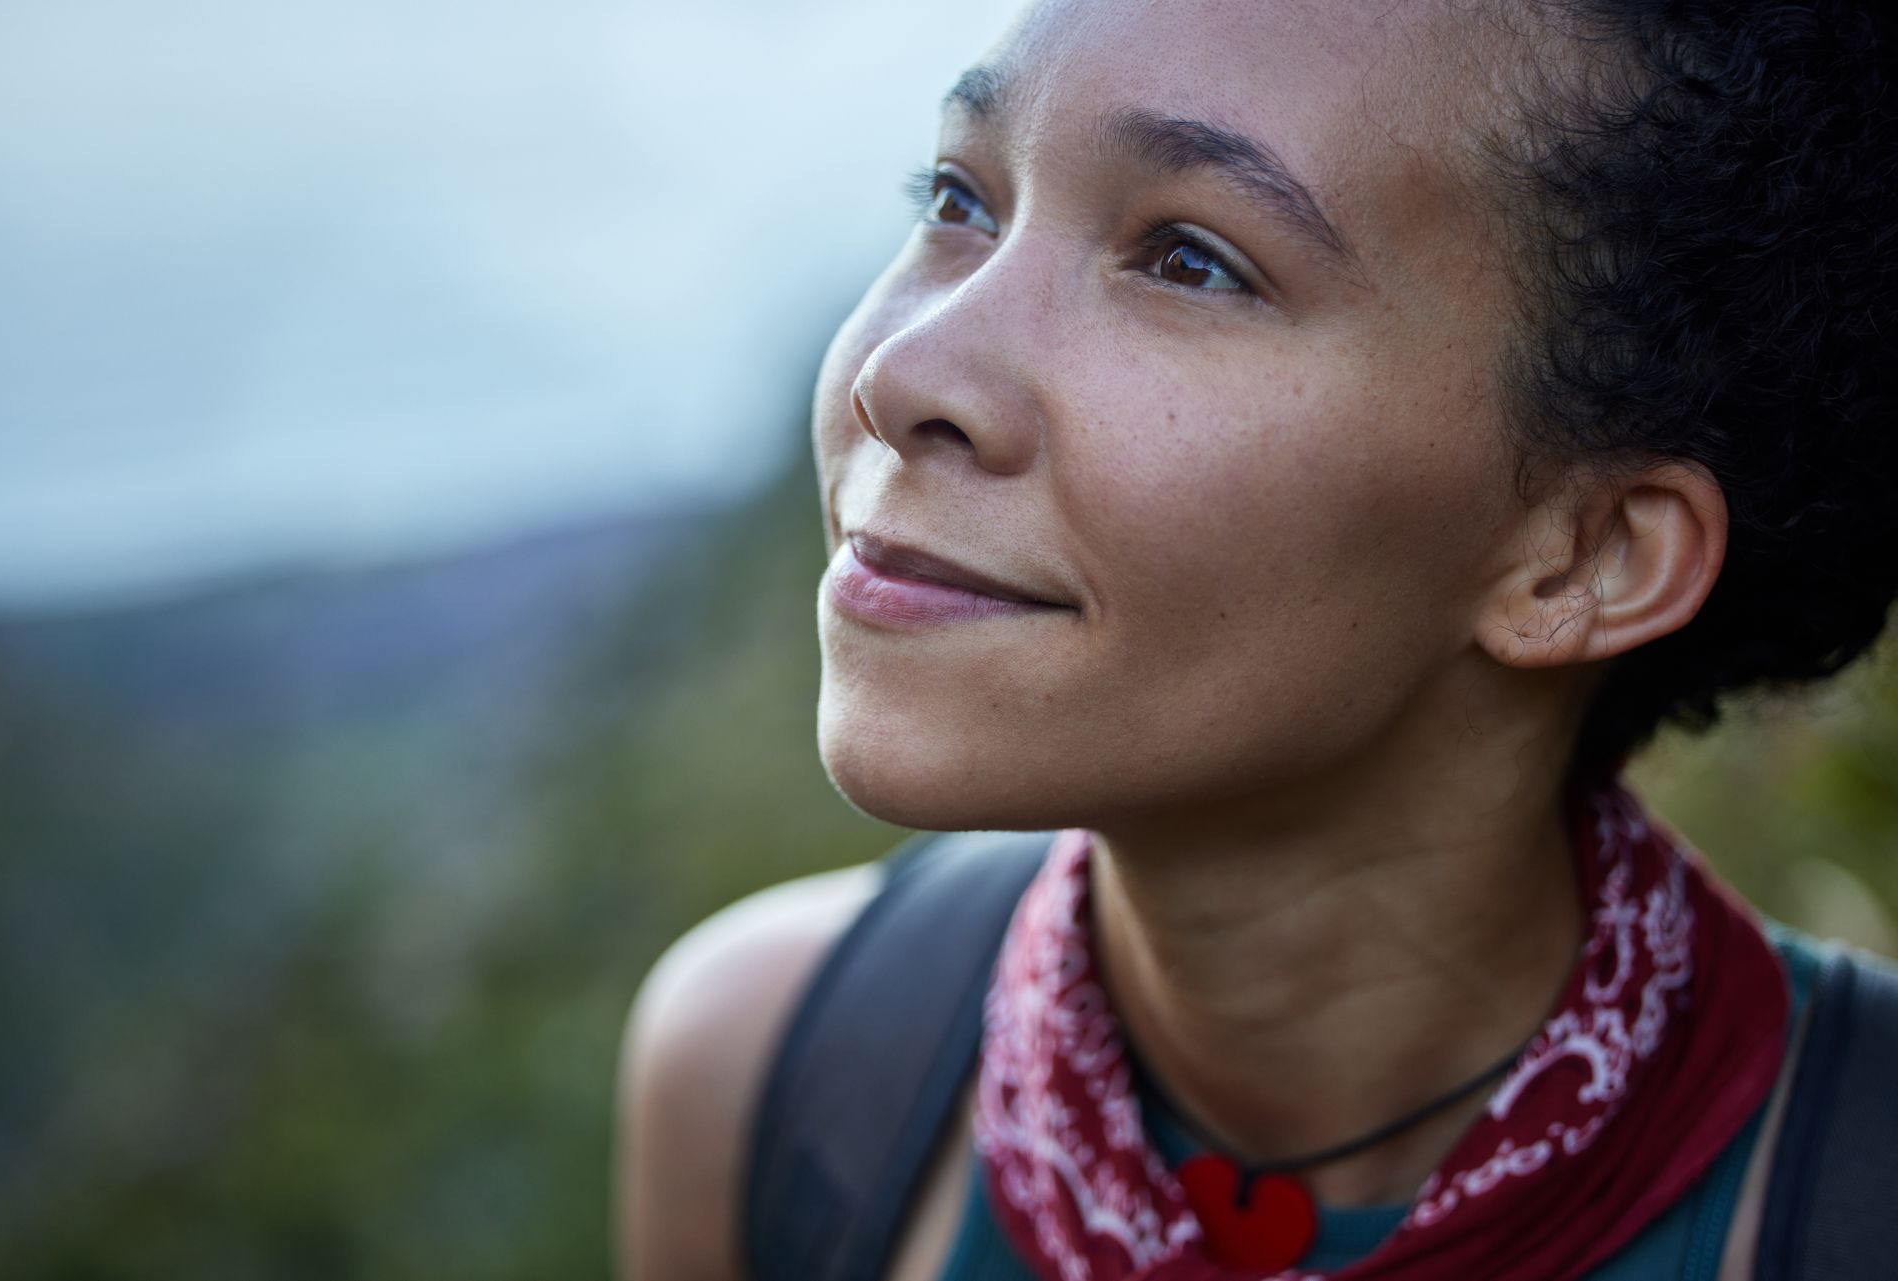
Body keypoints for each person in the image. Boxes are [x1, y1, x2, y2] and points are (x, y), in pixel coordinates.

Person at [618, 1, 1898, 1278]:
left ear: (1587, 555)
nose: (900, 375)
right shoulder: (772, 1072)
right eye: (960, 198)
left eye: (1188, 261)